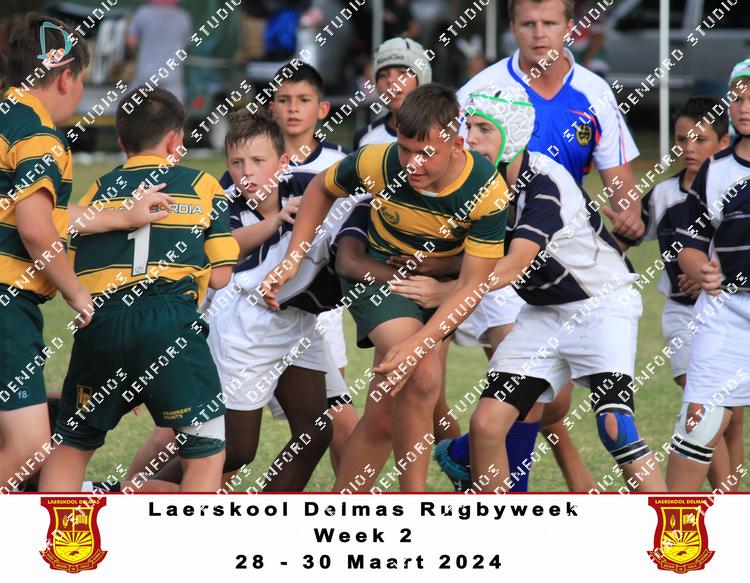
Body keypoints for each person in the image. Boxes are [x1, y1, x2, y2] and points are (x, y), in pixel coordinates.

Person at [400, 84, 666, 493]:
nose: (471, 139)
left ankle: (673, 524)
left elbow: (513, 264)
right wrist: (431, 264)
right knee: (486, 424)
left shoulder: (545, 182)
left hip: (601, 306)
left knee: (616, 428)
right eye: (469, 127)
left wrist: (446, 292)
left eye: (484, 129)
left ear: (513, 134)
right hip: (542, 313)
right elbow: (480, 255)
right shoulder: (479, 182)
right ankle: (501, 527)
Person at [261, 83, 510, 492]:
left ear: (457, 145)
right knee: (423, 374)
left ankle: (344, 503)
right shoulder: (379, 160)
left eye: (425, 153)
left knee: (383, 411)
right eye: (405, 149)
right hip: (376, 273)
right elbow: (322, 187)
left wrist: (421, 339)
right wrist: (293, 258)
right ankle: (414, 500)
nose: (412, 163)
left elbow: (471, 284)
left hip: (440, 287)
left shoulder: (487, 190)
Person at [454, 0, 646, 490]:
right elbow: (453, 177)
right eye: (528, 23)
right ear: (512, 27)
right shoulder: (478, 93)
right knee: (494, 419)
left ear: (570, 27)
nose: (539, 33)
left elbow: (624, 194)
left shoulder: (592, 93)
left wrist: (631, 218)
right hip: (513, 269)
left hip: (577, 274)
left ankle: (674, 527)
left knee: (600, 422)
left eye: (549, 23)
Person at [38, 87, 239, 492]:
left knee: (72, 445)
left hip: (101, 321)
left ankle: (58, 533)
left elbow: (74, 262)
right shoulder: (202, 185)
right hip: (169, 319)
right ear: (175, 140)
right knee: (204, 451)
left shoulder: (98, 189)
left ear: (121, 141)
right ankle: (192, 534)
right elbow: (221, 277)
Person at [1, 15, 168, 492]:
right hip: (8, 301)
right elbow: (36, 230)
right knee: (30, 445)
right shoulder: (40, 137)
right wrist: (77, 294)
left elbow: (40, 212)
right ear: (66, 77)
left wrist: (121, 216)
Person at [609, 96, 744, 492]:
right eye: (682, 139)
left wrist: (708, 274)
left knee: (732, 418)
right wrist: (620, 230)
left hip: (727, 313)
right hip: (684, 315)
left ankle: (733, 498)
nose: (688, 147)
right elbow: (625, 239)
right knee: (703, 409)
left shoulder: (733, 187)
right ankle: (714, 498)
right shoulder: (664, 194)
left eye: (700, 139)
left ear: (723, 142)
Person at [204, 108, 336, 491]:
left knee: (315, 432)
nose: (246, 172)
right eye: (237, 162)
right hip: (244, 331)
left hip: (297, 324)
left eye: (258, 161)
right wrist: (275, 222)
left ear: (283, 162)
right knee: (235, 451)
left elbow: (350, 196)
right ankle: (127, 494)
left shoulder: (309, 187)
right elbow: (225, 248)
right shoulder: (222, 202)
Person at [666, 61, 750, 491]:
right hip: (726, 311)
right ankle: (674, 526)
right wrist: (700, 269)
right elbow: (690, 243)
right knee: (698, 424)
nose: (744, 107)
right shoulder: (715, 170)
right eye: (737, 97)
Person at [352, 37, 432, 150]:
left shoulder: (445, 131)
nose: (390, 80)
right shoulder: (365, 139)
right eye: (383, 75)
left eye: (402, 73)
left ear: (423, 77)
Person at [126, 0, 192, 103]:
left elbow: (131, 41)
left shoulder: (143, 13)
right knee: (174, 110)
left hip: (146, 74)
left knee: (133, 108)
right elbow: (185, 46)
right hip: (172, 74)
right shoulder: (183, 17)